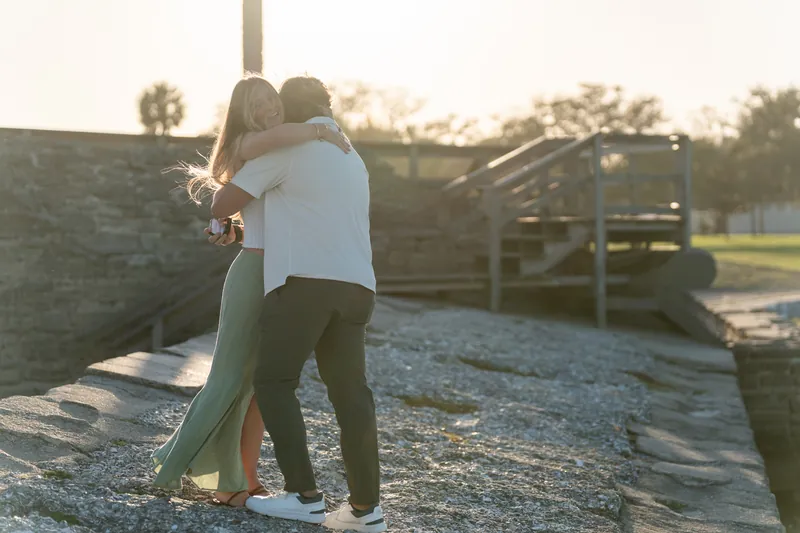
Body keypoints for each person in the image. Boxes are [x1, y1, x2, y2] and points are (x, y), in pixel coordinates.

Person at [150, 73, 351, 508]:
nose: (269, 110)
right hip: (254, 275)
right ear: (244, 114)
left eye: (272, 100)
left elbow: (258, 220)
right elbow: (222, 204)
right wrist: (323, 129)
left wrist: (231, 230)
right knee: (226, 382)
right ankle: (171, 469)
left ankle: (238, 477)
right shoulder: (252, 144)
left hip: (277, 271)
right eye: (258, 104)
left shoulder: (276, 152)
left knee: (256, 387)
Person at [210, 76, 386, 532]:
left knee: (273, 382)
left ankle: (305, 496)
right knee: (351, 395)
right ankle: (366, 510)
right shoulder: (353, 157)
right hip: (358, 287)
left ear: (289, 111)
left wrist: (224, 220)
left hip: (305, 283)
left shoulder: (288, 150)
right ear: (327, 106)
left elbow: (225, 199)